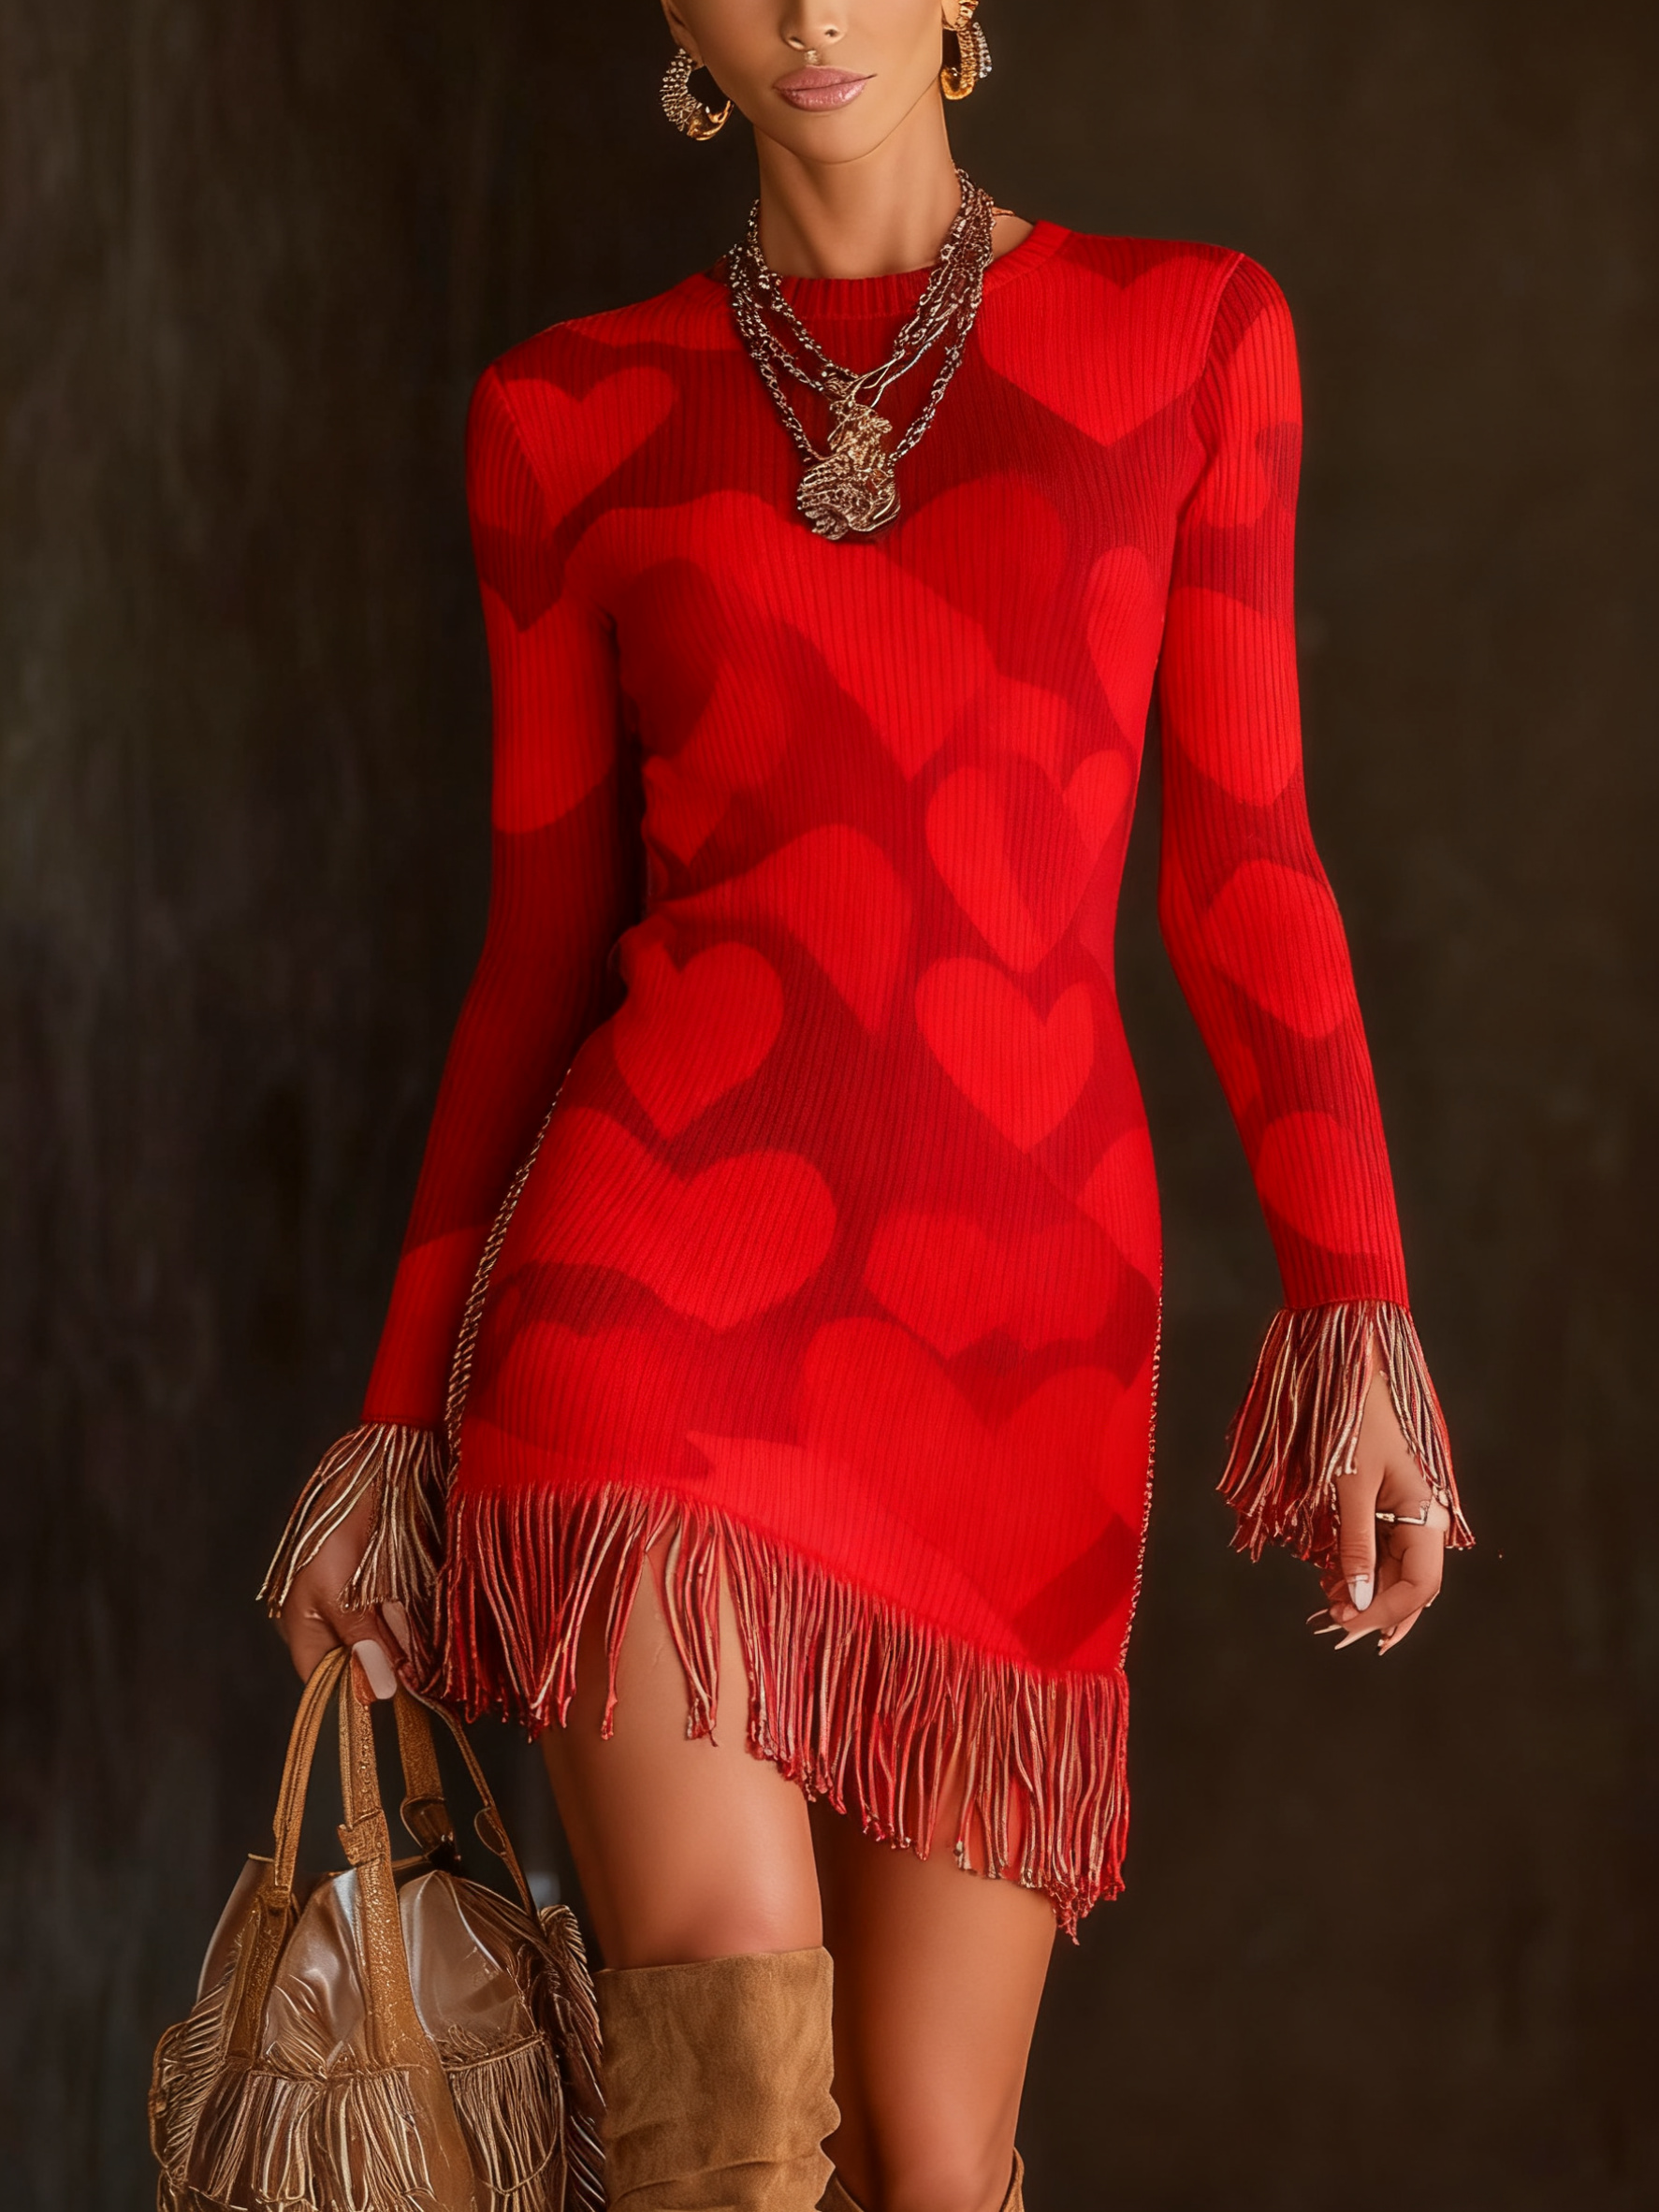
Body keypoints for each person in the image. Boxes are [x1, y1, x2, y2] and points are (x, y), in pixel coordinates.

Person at [264, 6, 1471, 2208]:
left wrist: (1353, 1311)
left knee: (933, 2149)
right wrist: (394, 1428)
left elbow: (1243, 863)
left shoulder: (1189, 337)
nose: (813, 14)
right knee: (728, 2096)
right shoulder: (562, 412)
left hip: (1017, 1335)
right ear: (675, 20)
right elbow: (540, 950)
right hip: (647, 1302)